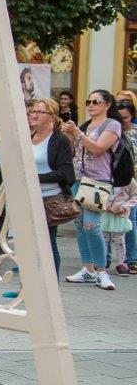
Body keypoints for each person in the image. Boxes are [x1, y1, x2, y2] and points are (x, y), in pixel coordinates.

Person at [62, 90, 122, 290]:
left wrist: (77, 133)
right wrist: (69, 135)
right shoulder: (86, 126)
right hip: (79, 179)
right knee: (80, 224)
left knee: (91, 225)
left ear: (107, 104)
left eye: (96, 101)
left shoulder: (112, 125)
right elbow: (74, 150)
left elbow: (98, 148)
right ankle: (87, 269)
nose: (90, 105)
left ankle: (101, 271)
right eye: (88, 101)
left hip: (97, 181)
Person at [27, 97, 74, 278]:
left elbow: (66, 174)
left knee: (47, 243)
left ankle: (51, 287)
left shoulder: (59, 140)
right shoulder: (29, 137)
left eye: (40, 112)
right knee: (29, 244)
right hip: (29, 197)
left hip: (49, 199)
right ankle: (27, 286)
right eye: (33, 111)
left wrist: (36, 178)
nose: (34, 115)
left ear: (52, 117)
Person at [116, 97, 137, 274]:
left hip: (133, 181)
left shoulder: (135, 133)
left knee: (131, 220)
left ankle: (132, 259)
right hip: (115, 181)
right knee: (108, 221)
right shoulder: (113, 132)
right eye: (120, 117)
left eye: (126, 117)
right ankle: (108, 258)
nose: (123, 120)